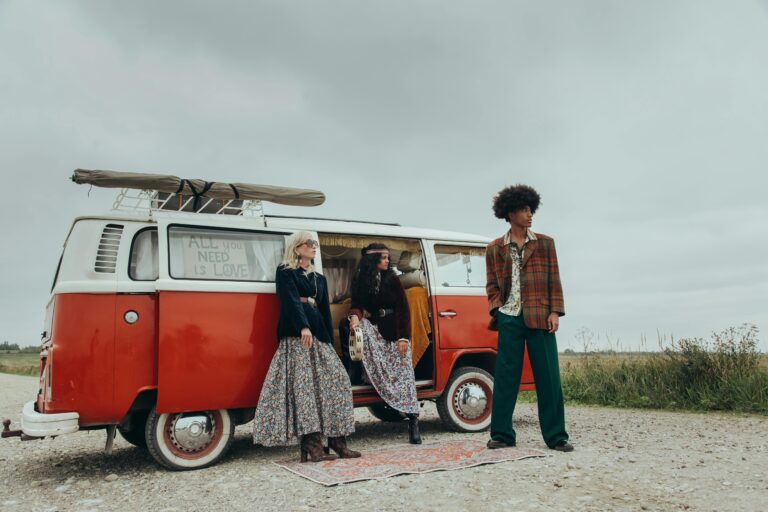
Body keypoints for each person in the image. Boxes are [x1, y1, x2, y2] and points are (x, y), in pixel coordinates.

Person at [253, 231, 361, 462]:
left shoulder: (319, 278)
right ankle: (312, 446)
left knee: (337, 382)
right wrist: (303, 326)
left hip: (319, 336)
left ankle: (338, 442)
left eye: (315, 243)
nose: (314, 247)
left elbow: (324, 312)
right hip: (297, 336)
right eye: (310, 243)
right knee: (306, 391)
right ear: (297, 247)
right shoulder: (285, 272)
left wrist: (330, 343)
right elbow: (290, 301)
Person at [485, 185, 574, 452]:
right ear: (510, 213)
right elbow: (491, 285)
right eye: (524, 210)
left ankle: (556, 436)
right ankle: (502, 434)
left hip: (540, 317)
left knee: (548, 378)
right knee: (505, 378)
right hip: (509, 317)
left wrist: (555, 311)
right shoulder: (495, 248)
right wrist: (498, 310)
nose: (529, 214)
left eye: (530, 209)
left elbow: (554, 279)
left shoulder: (545, 243)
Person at [348, 243, 422, 444]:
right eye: (384, 258)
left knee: (404, 375)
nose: (388, 261)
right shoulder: (361, 279)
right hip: (374, 327)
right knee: (357, 325)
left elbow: (403, 309)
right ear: (373, 260)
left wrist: (403, 337)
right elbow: (357, 305)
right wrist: (354, 316)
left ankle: (413, 421)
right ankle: (358, 371)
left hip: (393, 331)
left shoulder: (392, 278)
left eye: (388, 258)